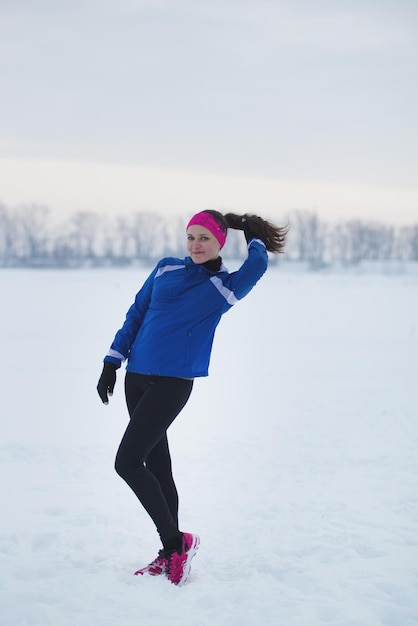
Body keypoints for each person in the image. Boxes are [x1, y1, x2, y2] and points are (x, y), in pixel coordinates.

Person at [96, 209, 288, 586]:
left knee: (127, 462)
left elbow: (258, 265)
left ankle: (177, 542)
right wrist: (112, 361)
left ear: (220, 242)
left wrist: (252, 236)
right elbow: (137, 313)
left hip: (173, 383)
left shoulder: (223, 286)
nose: (196, 245)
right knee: (157, 464)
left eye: (205, 238)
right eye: (191, 237)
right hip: (136, 377)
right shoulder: (166, 269)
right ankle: (170, 554)